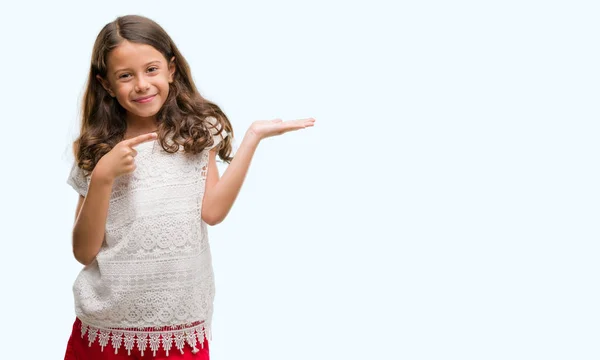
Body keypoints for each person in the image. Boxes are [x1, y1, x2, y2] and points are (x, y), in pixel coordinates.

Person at [64, 14, 315, 359]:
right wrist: (104, 177)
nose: (141, 84)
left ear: (171, 69)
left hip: (179, 327)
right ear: (106, 84)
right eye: (125, 75)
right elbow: (83, 252)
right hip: (105, 331)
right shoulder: (97, 148)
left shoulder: (196, 133)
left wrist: (252, 138)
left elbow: (212, 213)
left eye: (151, 69)